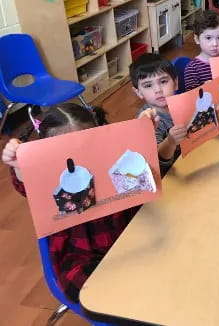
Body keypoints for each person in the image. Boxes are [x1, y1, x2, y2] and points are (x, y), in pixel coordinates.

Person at [1, 103, 158, 303]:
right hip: (81, 255)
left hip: (131, 237)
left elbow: (141, 167)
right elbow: (27, 186)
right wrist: (18, 164)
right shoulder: (49, 172)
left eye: (86, 144)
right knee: (104, 296)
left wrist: (142, 131)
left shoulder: (111, 153)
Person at [130, 53, 187, 177]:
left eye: (163, 81)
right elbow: (158, 164)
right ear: (138, 92)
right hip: (171, 177)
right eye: (148, 85)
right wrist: (171, 142)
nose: (158, 90)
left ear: (176, 82)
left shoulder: (184, 104)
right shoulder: (147, 120)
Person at [184, 10, 219, 91]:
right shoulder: (192, 69)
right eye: (208, 38)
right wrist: (205, 88)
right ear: (197, 39)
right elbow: (192, 98)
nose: (215, 44)